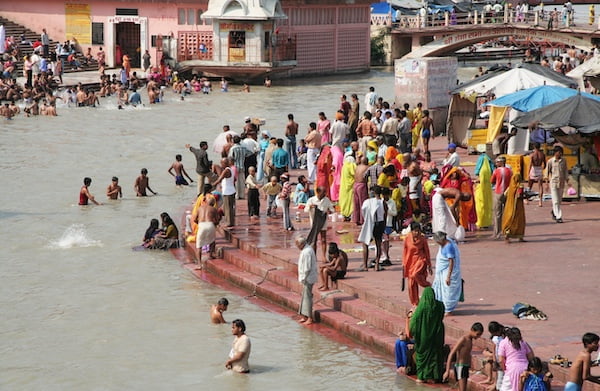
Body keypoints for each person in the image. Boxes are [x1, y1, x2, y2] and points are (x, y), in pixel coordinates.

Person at [407, 286, 445, 383]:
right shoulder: (440, 305)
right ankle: (434, 377)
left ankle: (422, 377)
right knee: (435, 356)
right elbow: (441, 316)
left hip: (423, 339)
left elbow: (413, 326)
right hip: (437, 335)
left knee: (422, 356)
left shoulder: (421, 308)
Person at [443, 323, 484, 391]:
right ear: (472, 330)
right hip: (460, 367)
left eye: (480, 335)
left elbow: (467, 354)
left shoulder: (470, 339)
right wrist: (447, 371)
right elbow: (451, 354)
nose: (478, 337)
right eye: (477, 334)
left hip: (465, 366)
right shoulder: (463, 339)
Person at [431, 231, 462, 316]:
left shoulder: (449, 247)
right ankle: (442, 306)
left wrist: (448, 276)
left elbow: (451, 261)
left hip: (448, 271)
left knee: (448, 291)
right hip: (442, 271)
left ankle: (448, 309)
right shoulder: (444, 244)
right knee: (440, 290)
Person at [403, 222, 432, 306]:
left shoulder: (422, 239)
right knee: (411, 283)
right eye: (415, 231)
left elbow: (427, 251)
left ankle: (427, 285)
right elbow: (405, 252)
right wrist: (404, 264)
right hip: (411, 261)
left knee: (415, 275)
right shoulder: (407, 239)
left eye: (418, 231)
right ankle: (415, 302)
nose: (417, 233)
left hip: (420, 260)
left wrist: (429, 264)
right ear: (411, 231)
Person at [357, 185, 386, 271]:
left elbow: (363, 212)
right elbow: (385, 214)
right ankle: (377, 264)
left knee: (365, 243)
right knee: (378, 244)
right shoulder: (382, 202)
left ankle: (365, 265)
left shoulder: (367, 202)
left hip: (370, 223)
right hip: (380, 223)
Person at [305, 186, 335, 262]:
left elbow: (332, 209)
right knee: (314, 240)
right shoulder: (311, 200)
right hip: (314, 222)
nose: (324, 194)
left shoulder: (326, 200)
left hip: (323, 221)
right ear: (318, 192)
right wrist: (310, 207)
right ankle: (314, 256)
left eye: (325, 192)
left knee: (323, 239)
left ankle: (323, 256)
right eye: (323, 192)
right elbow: (305, 210)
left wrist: (329, 210)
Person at [295, 235, 318, 325]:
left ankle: (310, 317)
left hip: (307, 277)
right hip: (305, 277)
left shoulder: (307, 251)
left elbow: (307, 267)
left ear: (301, 244)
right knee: (304, 297)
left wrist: (303, 278)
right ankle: (304, 315)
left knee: (307, 298)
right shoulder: (305, 250)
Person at [193, 197, 220, 266]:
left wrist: (199, 223)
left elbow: (194, 219)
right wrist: (215, 224)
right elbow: (217, 220)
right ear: (213, 204)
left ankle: (199, 264)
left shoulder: (200, 208)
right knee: (212, 241)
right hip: (210, 224)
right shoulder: (214, 209)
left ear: (206, 202)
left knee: (199, 246)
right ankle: (211, 254)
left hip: (201, 225)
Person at [491, 156, 512, 239]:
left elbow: (492, 181)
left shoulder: (496, 171)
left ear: (501, 163)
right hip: (507, 193)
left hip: (498, 192)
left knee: (497, 213)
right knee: (507, 213)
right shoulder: (509, 171)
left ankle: (497, 233)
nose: (496, 164)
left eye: (497, 162)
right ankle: (507, 231)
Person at [502, 174, 526, 243]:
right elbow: (519, 195)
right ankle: (520, 237)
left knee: (509, 220)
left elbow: (504, 194)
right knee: (519, 221)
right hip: (518, 207)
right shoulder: (520, 186)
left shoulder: (510, 187)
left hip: (510, 207)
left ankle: (507, 236)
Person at [547, 145, 568, 223]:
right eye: (558, 152)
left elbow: (565, 171)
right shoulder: (550, 161)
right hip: (553, 183)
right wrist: (546, 183)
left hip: (561, 182)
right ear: (555, 153)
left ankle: (554, 211)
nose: (559, 154)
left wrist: (568, 181)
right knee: (555, 200)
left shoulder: (564, 161)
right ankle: (559, 216)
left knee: (559, 200)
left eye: (561, 153)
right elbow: (547, 172)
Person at [212, 158, 236, 227]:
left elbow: (219, 179)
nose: (221, 164)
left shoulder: (226, 171)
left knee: (227, 209)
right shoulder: (231, 169)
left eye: (221, 163)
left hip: (228, 192)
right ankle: (231, 222)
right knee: (230, 208)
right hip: (231, 190)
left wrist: (212, 185)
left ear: (225, 163)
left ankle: (229, 223)